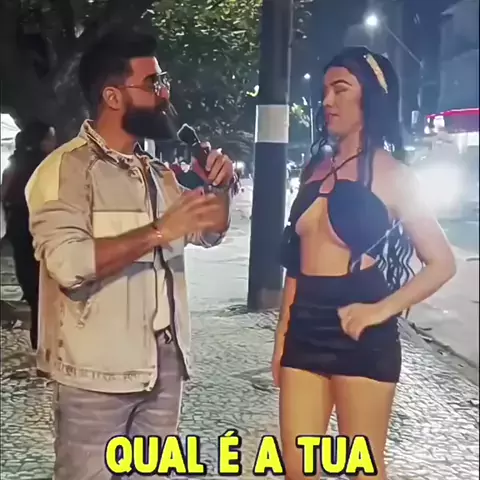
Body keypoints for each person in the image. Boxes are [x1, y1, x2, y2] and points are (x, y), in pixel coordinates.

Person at [25, 30, 235, 480]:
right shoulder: (65, 171)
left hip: (164, 370)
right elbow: (67, 263)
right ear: (113, 96)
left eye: (164, 82)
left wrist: (219, 188)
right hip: (94, 380)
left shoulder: (157, 173)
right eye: (154, 83)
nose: (165, 94)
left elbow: (209, 233)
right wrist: (158, 232)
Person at [273, 47, 456, 480]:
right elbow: (296, 264)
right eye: (324, 91)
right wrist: (282, 335)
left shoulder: (395, 176)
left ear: (371, 96)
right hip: (305, 329)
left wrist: (380, 310)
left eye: (340, 89)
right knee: (296, 470)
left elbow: (442, 263)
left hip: (363, 335)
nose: (327, 101)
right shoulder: (315, 170)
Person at [1, 121, 56, 351]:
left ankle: (39, 339)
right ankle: (46, 342)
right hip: (39, 230)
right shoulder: (47, 166)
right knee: (46, 290)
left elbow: (4, 194)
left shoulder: (15, 163)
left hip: (18, 229)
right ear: (41, 141)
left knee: (33, 290)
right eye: (50, 138)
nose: (54, 143)